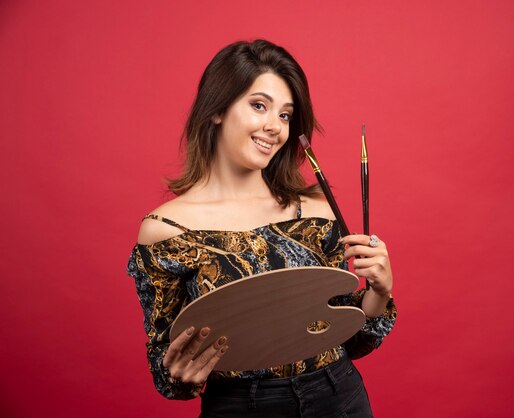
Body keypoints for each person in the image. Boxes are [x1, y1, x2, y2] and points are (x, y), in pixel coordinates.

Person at [127, 39, 397, 417]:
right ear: (218, 109)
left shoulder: (316, 210)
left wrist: (379, 292)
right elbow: (165, 367)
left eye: (286, 115)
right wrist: (182, 374)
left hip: (339, 396)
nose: (275, 127)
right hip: (240, 405)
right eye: (259, 106)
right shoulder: (166, 232)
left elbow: (350, 334)